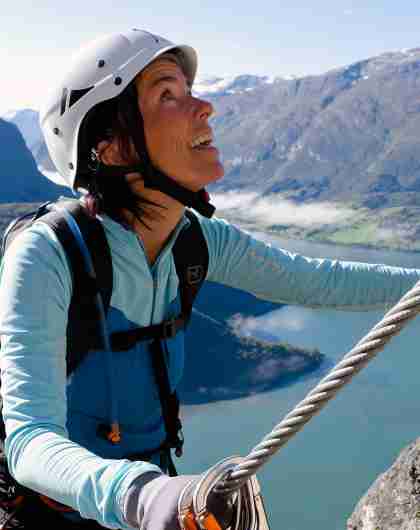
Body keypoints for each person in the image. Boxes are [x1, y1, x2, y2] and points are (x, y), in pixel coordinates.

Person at [0, 28, 420, 530]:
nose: (206, 108)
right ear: (110, 148)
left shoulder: (196, 239)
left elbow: (320, 280)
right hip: (63, 516)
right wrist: (143, 496)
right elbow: (29, 442)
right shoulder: (50, 254)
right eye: (167, 93)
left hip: (150, 502)